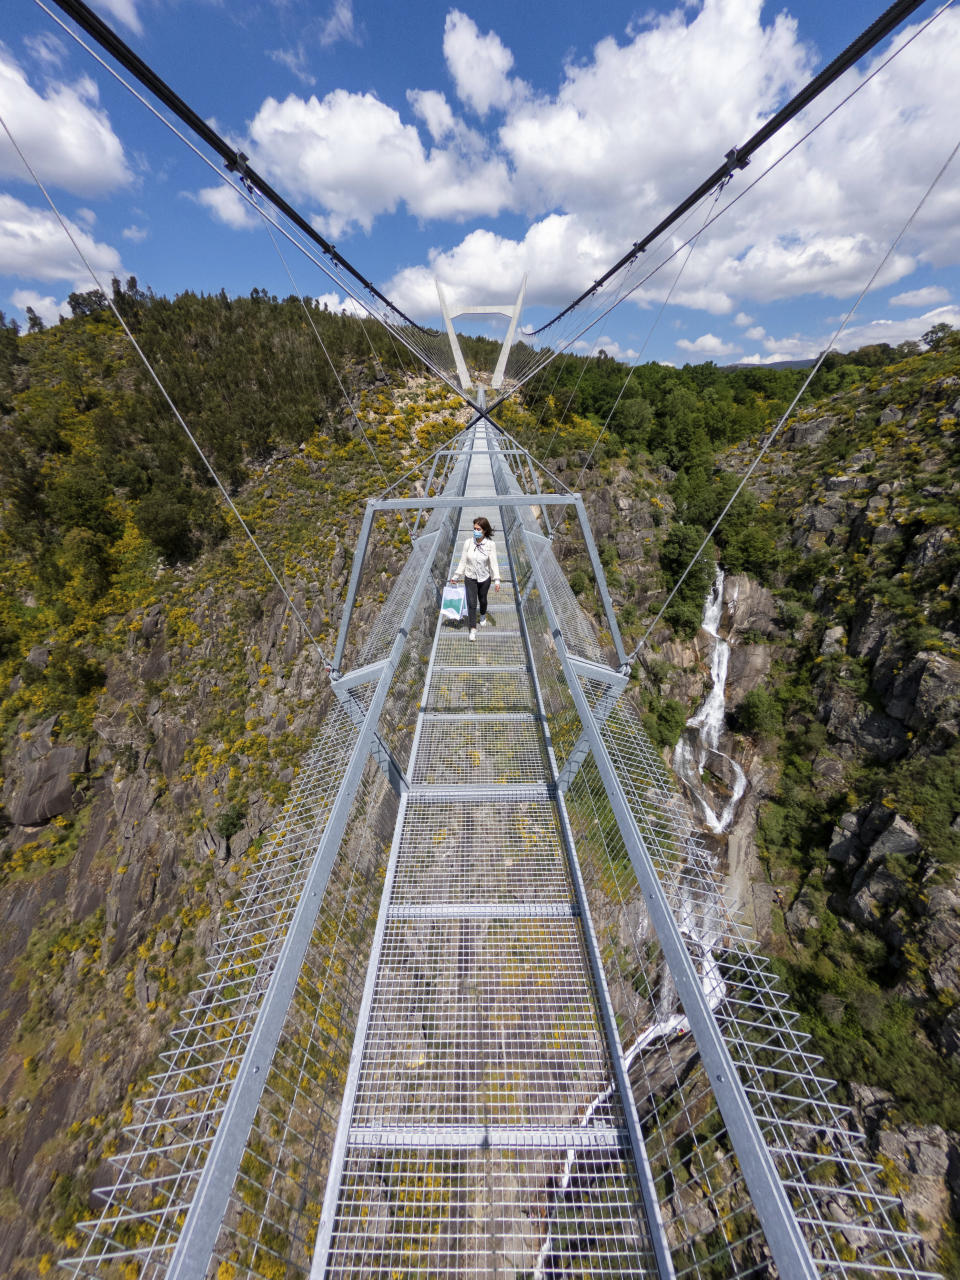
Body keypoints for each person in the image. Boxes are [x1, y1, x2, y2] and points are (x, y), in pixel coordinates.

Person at [452, 516, 501, 640]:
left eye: (478, 529)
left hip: (484, 578)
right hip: (470, 577)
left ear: (484, 530)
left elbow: (494, 563)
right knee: (472, 603)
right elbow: (463, 561)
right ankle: (473, 629)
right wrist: (456, 576)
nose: (475, 531)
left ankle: (483, 614)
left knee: (483, 599)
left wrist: (497, 580)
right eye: (474, 528)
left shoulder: (490, 544)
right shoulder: (468, 543)